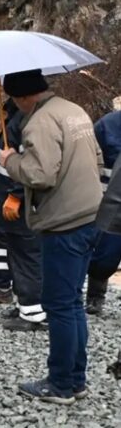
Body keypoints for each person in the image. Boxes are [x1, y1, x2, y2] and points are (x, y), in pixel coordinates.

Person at [0, 69, 103, 405]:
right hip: (91, 215)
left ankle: (60, 384)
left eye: (15, 100)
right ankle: (76, 380)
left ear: (23, 96)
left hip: (64, 223)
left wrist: (10, 160)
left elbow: (40, 174)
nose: (17, 106)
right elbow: (98, 159)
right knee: (72, 302)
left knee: (58, 305)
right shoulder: (75, 111)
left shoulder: (39, 122)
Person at [0, 99, 46, 330]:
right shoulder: (15, 119)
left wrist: (16, 195)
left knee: (27, 254)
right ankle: (25, 304)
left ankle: (34, 312)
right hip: (4, 198)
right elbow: (9, 147)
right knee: (17, 252)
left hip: (16, 201)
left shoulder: (25, 122)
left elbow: (27, 163)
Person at [84, 109, 121, 314]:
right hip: (113, 204)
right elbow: (90, 159)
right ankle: (96, 292)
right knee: (106, 254)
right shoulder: (108, 126)